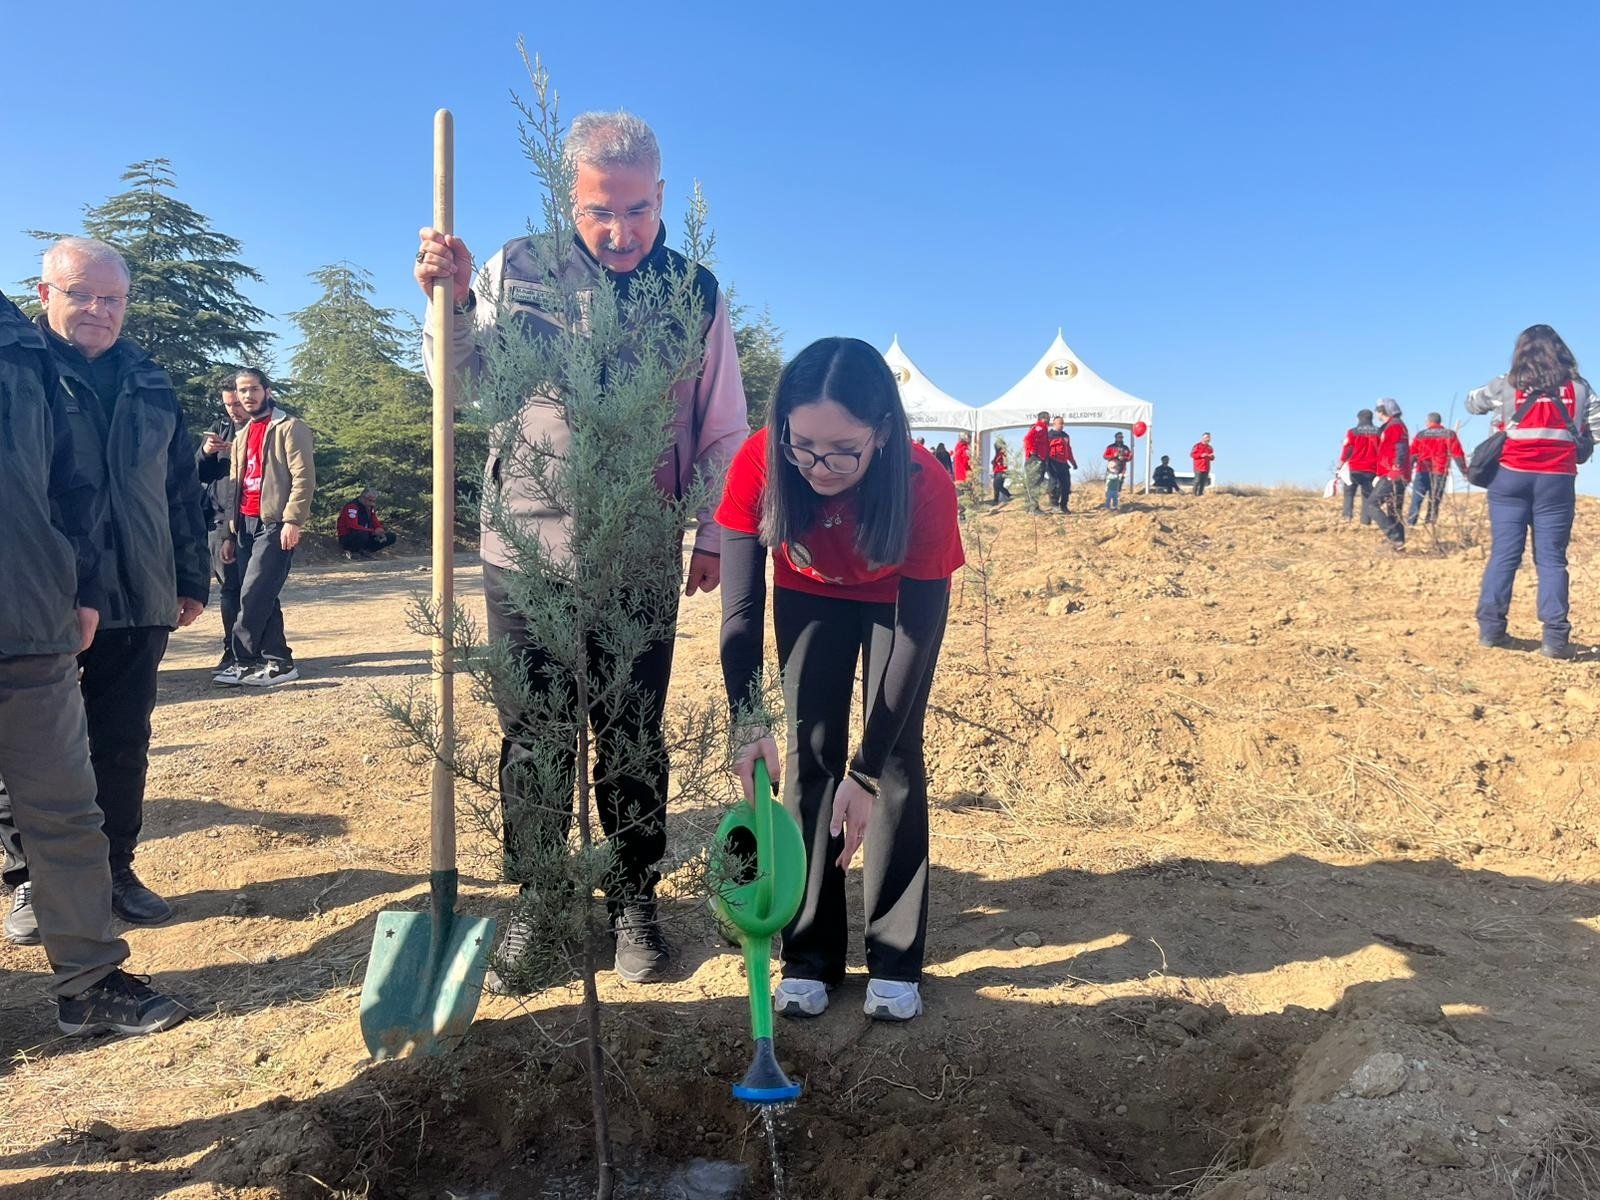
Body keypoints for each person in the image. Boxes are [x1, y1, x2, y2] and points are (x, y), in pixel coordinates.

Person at [416, 110, 748, 987]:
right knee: (535, 735)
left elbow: (722, 427)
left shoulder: (695, 290)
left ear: (662, 195)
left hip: (638, 548)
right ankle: (541, 898)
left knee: (633, 731)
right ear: (572, 197)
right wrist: (447, 304)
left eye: (639, 210)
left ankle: (634, 899)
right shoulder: (515, 268)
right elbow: (459, 382)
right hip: (523, 544)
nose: (621, 230)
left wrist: (712, 530)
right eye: (602, 211)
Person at [717, 337, 963, 1023]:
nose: (819, 466)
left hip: (894, 605)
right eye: (803, 446)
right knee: (810, 756)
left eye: (843, 451)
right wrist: (748, 721)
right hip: (810, 594)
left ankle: (895, 955)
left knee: (894, 761)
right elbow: (740, 612)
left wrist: (867, 774)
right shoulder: (760, 463)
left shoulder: (924, 486)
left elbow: (916, 635)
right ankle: (809, 955)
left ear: (882, 433)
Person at [0, 238, 209, 938]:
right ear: (45, 294)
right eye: (81, 294)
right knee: (28, 748)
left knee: (122, 741)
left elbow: (181, 487)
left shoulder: (150, 378)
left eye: (111, 299)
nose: (97, 310)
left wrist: (189, 576)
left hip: (138, 591)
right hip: (41, 594)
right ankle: (30, 881)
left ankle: (116, 871)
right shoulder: (19, 371)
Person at [1466, 325, 1598, 658]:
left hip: (1509, 477)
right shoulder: (1580, 389)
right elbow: (1597, 428)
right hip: (1557, 480)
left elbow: (1471, 402)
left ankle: (1492, 631)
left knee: (1504, 555)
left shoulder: (1507, 384)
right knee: (1552, 560)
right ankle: (1555, 639)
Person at [216, 369, 315, 688]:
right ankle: (278, 661)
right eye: (242, 391)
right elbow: (235, 485)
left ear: (267, 391)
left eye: (253, 389)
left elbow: (303, 478)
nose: (247, 396)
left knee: (254, 591)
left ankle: (243, 660)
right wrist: (230, 533)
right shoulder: (243, 433)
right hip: (244, 523)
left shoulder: (290, 427)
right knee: (263, 593)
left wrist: (292, 520)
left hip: (274, 522)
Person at [196, 381, 249, 671]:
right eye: (228, 405)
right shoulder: (219, 429)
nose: (234, 410)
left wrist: (240, 456)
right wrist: (205, 451)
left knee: (257, 589)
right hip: (219, 522)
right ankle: (232, 650)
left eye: (237, 404)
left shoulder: (265, 429)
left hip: (254, 519)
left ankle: (262, 648)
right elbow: (195, 473)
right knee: (229, 589)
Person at [1407, 413, 1467, 526]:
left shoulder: (1421, 435)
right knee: (1434, 500)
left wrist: (1408, 471)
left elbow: (1412, 455)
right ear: (1440, 422)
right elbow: (1458, 454)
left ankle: (1411, 523)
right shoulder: (1449, 434)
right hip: (1440, 471)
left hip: (1422, 470)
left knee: (1416, 499)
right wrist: (1464, 471)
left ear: (1428, 422)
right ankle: (1430, 524)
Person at [1365, 399, 1410, 550]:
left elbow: (1401, 448)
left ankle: (1394, 537)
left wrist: (1396, 468)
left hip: (1393, 474)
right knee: (1394, 511)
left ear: (1382, 411)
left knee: (1371, 505)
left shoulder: (1395, 425)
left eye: (1377, 409)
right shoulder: (1390, 426)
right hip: (1393, 472)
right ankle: (1399, 544)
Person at [1339, 409, 1381, 523]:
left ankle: (1347, 517)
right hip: (1371, 469)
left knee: (1348, 493)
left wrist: (1341, 463)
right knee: (1367, 496)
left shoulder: (1352, 432)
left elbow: (1347, 448)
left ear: (1358, 418)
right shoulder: (1379, 432)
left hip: (1354, 468)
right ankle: (1365, 521)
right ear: (1371, 418)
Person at [336, 488, 398, 557]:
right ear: (363, 498)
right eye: (370, 500)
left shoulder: (369, 508)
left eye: (374, 501)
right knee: (362, 534)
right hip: (349, 537)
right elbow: (353, 526)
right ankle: (352, 551)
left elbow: (374, 520)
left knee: (390, 536)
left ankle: (366, 550)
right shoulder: (352, 507)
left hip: (366, 535)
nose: (372, 503)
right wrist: (372, 531)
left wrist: (379, 529)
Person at [1045, 417, 1077, 512]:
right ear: (1054, 424)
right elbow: (1044, 450)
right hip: (1052, 462)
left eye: (1063, 423)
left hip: (1063, 463)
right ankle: (1054, 503)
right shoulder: (1048, 435)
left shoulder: (1065, 436)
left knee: (1066, 485)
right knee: (1055, 483)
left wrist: (1073, 462)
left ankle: (1064, 506)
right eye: (1060, 423)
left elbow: (1069, 450)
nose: (1062, 425)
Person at [1022, 410, 1050, 510]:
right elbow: (1028, 438)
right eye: (1048, 417)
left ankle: (1029, 507)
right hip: (1035, 459)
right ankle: (1033, 508)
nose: (1049, 420)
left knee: (1034, 483)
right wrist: (1034, 451)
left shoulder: (1043, 428)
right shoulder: (1040, 426)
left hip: (1039, 458)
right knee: (1034, 483)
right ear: (1044, 418)